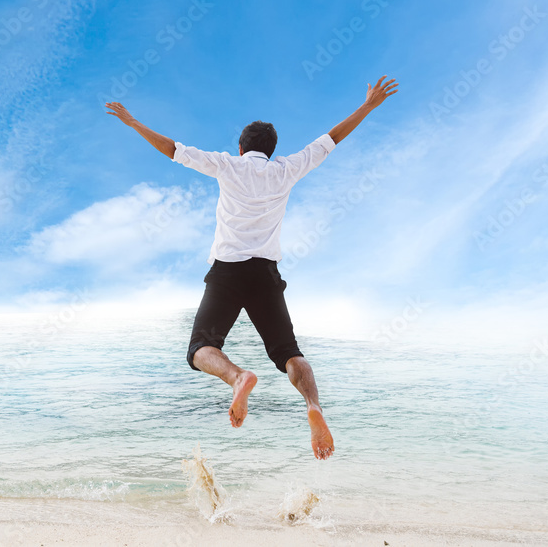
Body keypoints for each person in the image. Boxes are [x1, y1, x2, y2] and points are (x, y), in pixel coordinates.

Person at [104, 76, 398, 460]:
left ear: (241, 148)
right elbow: (331, 140)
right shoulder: (286, 170)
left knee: (200, 348)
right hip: (265, 274)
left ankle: (237, 376)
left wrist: (133, 123)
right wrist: (368, 106)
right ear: (271, 151)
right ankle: (313, 407)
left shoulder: (227, 166)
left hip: (227, 271)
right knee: (289, 353)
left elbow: (173, 149)